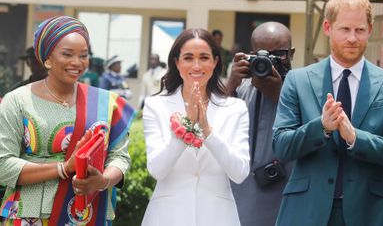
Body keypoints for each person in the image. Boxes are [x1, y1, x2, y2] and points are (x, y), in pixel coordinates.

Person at [273, 0, 383, 226]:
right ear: (327, 27)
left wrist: (356, 137)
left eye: (359, 30)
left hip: (370, 212)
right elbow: (281, 147)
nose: (352, 38)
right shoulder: (298, 80)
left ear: (369, 29)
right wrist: (321, 128)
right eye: (344, 29)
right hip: (306, 211)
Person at [0, 16, 136, 225]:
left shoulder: (106, 103)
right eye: (67, 54)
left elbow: (120, 157)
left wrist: (104, 180)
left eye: (84, 55)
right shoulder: (17, 101)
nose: (77, 62)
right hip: (31, 216)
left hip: (88, 214)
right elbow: (3, 165)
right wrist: (63, 168)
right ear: (47, 59)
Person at [141, 28, 250, 226]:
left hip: (218, 217)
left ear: (215, 61)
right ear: (177, 62)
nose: (197, 66)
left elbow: (239, 172)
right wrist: (187, 126)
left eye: (204, 57)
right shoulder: (155, 105)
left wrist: (207, 130)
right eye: (188, 58)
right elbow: (157, 169)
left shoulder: (235, 108)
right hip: (167, 217)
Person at [226, 21, 294, 226]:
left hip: (285, 193)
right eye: (263, 56)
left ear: (292, 53)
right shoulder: (242, 88)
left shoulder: (303, 86)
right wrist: (231, 84)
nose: (270, 63)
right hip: (241, 195)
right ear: (251, 55)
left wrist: (278, 95)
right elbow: (212, 126)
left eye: (278, 55)